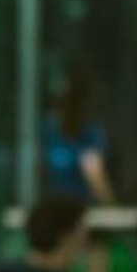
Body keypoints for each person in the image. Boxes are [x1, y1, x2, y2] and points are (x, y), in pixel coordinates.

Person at [39, 72, 116, 208]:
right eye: (64, 102)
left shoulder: (89, 131)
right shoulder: (47, 129)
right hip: (50, 207)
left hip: (77, 207)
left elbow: (92, 168)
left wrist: (111, 208)